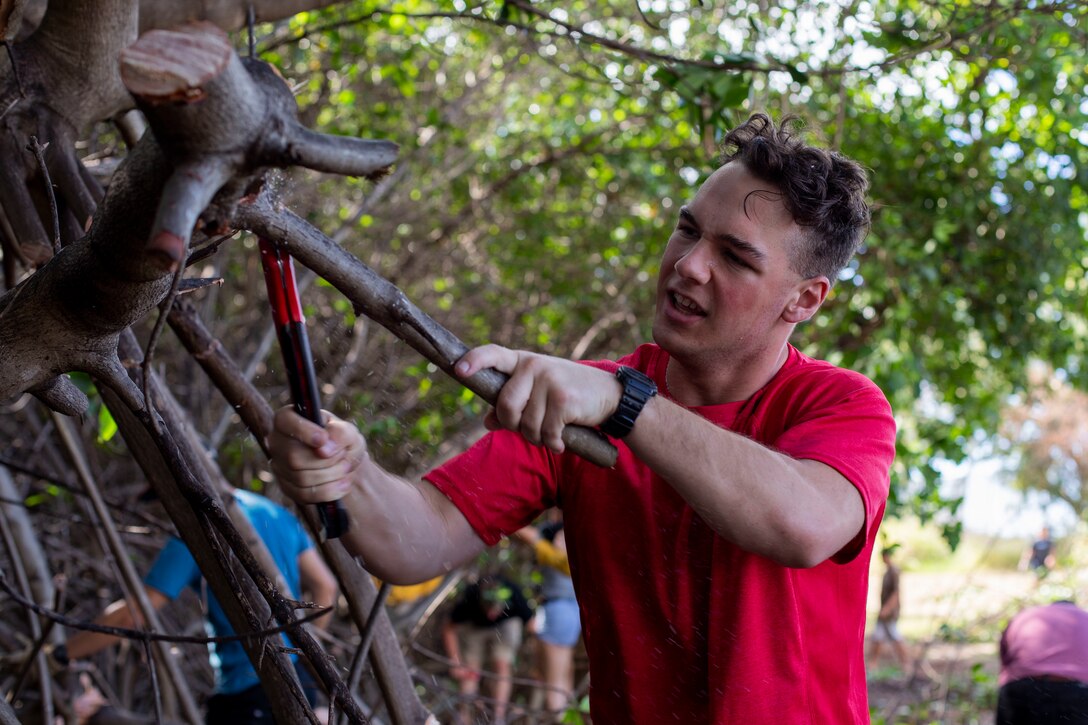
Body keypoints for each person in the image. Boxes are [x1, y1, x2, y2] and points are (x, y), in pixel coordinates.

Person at [269, 113, 897, 723]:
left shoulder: (842, 406)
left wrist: (625, 406)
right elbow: (418, 539)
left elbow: (803, 525)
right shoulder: (587, 396)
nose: (688, 265)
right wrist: (349, 473)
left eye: (735, 256)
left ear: (805, 299)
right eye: (687, 229)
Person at [63, 488, 338, 725]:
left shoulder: (195, 532)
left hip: (251, 691)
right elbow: (326, 588)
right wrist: (301, 652)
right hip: (300, 682)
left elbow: (134, 613)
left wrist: (61, 654)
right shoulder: (274, 512)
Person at [441, 574, 534, 725]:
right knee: (470, 670)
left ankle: (498, 718)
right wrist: (455, 661)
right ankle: (464, 716)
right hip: (475, 627)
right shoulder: (471, 597)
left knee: (502, 664)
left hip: (507, 625)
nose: (491, 614)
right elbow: (449, 628)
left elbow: (532, 625)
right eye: (488, 609)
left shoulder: (515, 595)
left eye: (495, 610)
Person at [513, 521, 580, 718]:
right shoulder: (564, 556)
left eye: (564, 537)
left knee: (555, 683)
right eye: (559, 536)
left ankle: (561, 717)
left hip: (560, 612)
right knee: (562, 676)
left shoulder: (557, 557)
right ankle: (567, 717)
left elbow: (529, 535)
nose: (561, 539)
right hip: (571, 614)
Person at [997, 600, 1088, 724]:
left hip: (1023, 687)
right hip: (1078, 691)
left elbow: (1005, 660)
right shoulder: (1084, 617)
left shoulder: (1026, 616)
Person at [868, 544, 910, 671]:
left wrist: (887, 608)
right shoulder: (887, 571)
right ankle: (873, 663)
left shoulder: (893, 571)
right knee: (877, 637)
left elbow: (895, 593)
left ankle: (906, 662)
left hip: (890, 612)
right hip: (885, 611)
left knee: (895, 636)